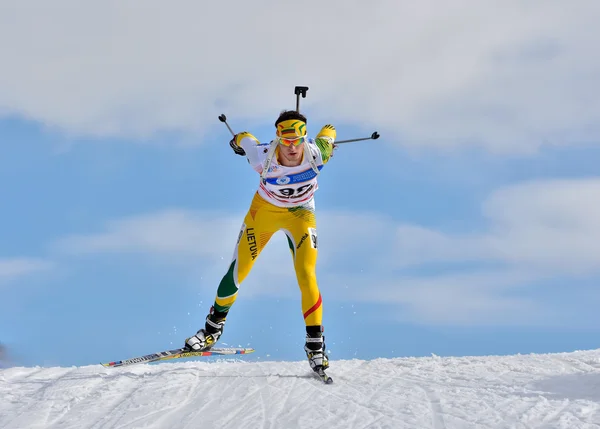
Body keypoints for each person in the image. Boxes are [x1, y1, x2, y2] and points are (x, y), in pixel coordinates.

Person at [184, 109, 336, 373]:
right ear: (277, 138)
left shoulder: (317, 152)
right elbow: (245, 137)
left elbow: (329, 131)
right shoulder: (261, 155)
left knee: (306, 274)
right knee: (238, 270)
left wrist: (329, 136)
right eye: (285, 141)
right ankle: (211, 329)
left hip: (300, 217)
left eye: (296, 141)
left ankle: (315, 345)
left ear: (304, 139)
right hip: (263, 214)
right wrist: (236, 142)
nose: (291, 148)